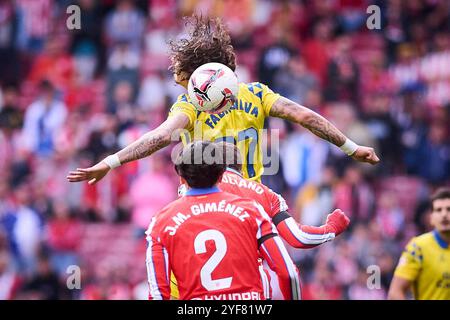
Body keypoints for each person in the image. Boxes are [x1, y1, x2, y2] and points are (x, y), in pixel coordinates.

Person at [67, 15, 379, 185]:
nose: (173, 69)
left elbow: (161, 136)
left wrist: (110, 162)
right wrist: (351, 148)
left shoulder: (188, 105)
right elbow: (306, 117)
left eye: (179, 65)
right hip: (252, 202)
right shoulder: (257, 93)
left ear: (196, 71)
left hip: (201, 204)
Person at [170, 142, 350, 299]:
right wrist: (332, 228)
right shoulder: (265, 195)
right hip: (251, 291)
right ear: (241, 167)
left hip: (196, 292)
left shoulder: (192, 187)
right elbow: (298, 238)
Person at [146, 141, 301, 300]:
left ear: (181, 179)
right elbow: (288, 273)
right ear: (221, 176)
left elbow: (158, 294)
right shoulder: (253, 212)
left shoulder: (161, 223)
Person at [388, 188, 450, 300]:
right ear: (431, 218)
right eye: (439, 210)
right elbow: (395, 292)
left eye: (449, 209)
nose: (444, 214)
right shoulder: (418, 247)